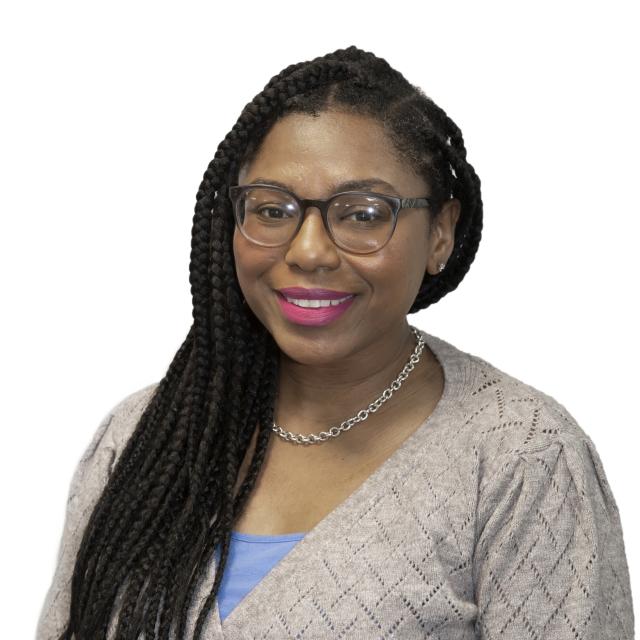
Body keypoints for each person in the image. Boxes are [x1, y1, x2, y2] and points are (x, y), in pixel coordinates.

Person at [36, 45, 634, 639]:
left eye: (364, 213)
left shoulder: (520, 459)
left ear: (441, 233)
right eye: (272, 210)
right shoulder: (141, 437)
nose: (309, 251)